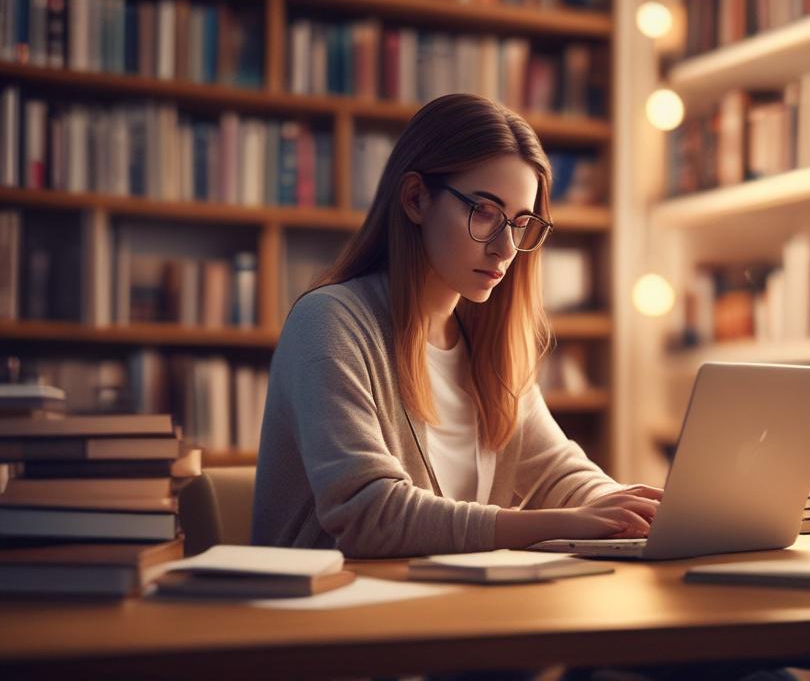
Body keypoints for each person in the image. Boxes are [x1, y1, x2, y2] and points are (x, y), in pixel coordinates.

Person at [251, 93, 661, 558]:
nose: (506, 248)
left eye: (521, 222)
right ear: (415, 198)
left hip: (446, 610)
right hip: (329, 616)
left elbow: (557, 474)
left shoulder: (487, 343)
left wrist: (633, 510)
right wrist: (564, 523)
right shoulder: (329, 324)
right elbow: (370, 515)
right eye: (484, 212)